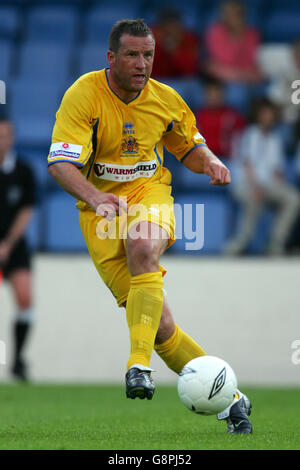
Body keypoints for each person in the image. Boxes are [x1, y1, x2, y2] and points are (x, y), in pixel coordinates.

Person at [48, 19, 252, 434]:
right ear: (111, 57)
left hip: (148, 193)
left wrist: (209, 160)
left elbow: (188, 146)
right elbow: (60, 164)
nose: (142, 64)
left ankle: (137, 366)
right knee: (160, 328)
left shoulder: (166, 98)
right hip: (99, 210)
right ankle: (232, 401)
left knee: (143, 247)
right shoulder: (83, 95)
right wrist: (95, 197)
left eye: (148, 55)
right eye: (132, 55)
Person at [224, 98, 300, 256]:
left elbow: (277, 170)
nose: (268, 117)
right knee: (254, 197)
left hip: (268, 184)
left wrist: (280, 183)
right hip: (245, 183)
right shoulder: (248, 135)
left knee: (293, 198)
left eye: (271, 114)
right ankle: (240, 243)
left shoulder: (275, 139)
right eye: (265, 113)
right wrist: (256, 187)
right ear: (258, 115)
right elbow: (247, 165)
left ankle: (275, 242)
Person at [0, 118, 36, 381]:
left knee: (25, 298)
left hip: (14, 244)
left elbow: (26, 210)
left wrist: (8, 243)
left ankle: (17, 361)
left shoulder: (23, 170)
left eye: (5, 136)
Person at [205, 0, 262, 84]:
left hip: (246, 80)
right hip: (220, 81)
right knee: (236, 91)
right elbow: (223, 61)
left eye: (238, 14)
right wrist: (236, 38)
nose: (234, 17)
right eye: (229, 14)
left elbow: (251, 62)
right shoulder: (215, 32)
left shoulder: (253, 34)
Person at [195, 78, 246, 160]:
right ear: (205, 96)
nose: (214, 97)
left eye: (217, 94)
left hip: (226, 159)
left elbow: (241, 140)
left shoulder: (231, 115)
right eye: (210, 94)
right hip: (205, 159)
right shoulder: (199, 116)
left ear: (223, 95)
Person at [151, 8, 200, 79]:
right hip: (155, 81)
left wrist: (175, 51)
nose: (170, 30)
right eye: (166, 26)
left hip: (182, 83)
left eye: (173, 26)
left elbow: (191, 70)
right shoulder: (150, 37)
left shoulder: (189, 38)